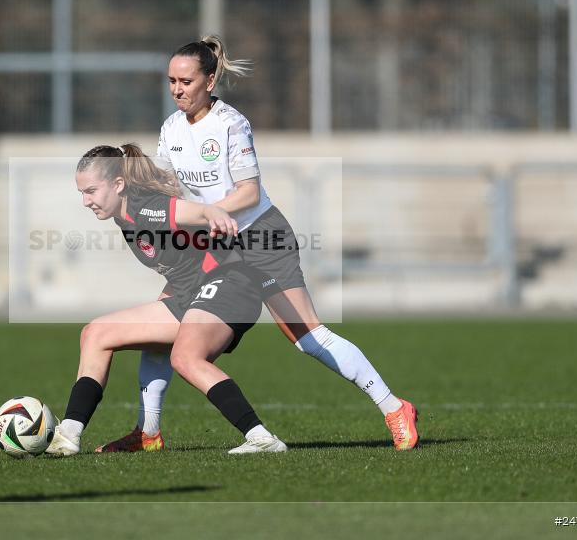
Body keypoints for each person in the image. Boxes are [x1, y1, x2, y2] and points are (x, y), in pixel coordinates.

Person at [98, 36, 419, 453]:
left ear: (210, 80)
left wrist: (215, 213)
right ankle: (148, 432)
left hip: (262, 239)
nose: (177, 90)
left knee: (307, 337)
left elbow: (249, 192)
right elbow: (174, 190)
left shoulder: (231, 124)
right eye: (171, 81)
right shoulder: (171, 129)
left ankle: (395, 407)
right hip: (210, 246)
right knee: (165, 327)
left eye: (186, 81)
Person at [45, 144, 287, 456]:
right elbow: (184, 266)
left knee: (186, 358)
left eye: (91, 191)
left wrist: (211, 211)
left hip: (231, 284)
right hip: (192, 292)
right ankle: (73, 434)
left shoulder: (146, 208)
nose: (85, 201)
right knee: (96, 333)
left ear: (118, 185)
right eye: (82, 192)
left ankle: (262, 438)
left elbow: (189, 211)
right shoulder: (124, 215)